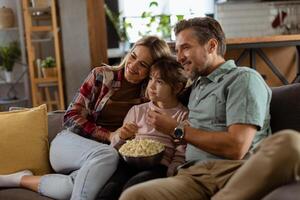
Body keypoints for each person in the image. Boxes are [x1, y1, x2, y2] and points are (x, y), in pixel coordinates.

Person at [116, 16, 299, 200]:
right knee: (134, 195)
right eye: (177, 50)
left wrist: (176, 129)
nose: (179, 57)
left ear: (212, 46)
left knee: (290, 142)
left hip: (235, 172)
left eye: (186, 48)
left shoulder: (243, 78)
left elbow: (237, 147)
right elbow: (165, 88)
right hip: (191, 176)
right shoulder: (196, 87)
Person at [0, 36, 172, 200]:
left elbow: (176, 84)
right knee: (109, 154)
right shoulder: (101, 75)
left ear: (152, 71)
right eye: (133, 56)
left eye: (142, 64)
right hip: (69, 144)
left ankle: (20, 179)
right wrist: (109, 135)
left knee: (71, 187)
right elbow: (70, 117)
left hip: (102, 159)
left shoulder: (149, 95)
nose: (133, 65)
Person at [97, 56, 188, 200]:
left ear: (177, 87)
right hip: (128, 163)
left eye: (159, 82)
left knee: (131, 189)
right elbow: (116, 146)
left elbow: (181, 152)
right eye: (151, 79)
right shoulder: (137, 110)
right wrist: (122, 137)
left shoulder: (182, 115)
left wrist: (171, 173)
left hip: (158, 166)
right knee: (109, 191)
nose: (151, 86)